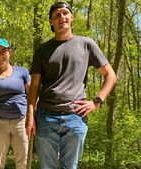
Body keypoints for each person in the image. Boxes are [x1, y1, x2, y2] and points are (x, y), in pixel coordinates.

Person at [25, 1, 117, 169]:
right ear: (51, 22)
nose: (61, 17)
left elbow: (110, 75)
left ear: (71, 17)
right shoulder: (42, 50)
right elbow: (34, 86)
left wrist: (97, 101)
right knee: (47, 167)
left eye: (65, 13)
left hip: (76, 116)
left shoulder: (86, 44)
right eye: (56, 15)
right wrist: (30, 114)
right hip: (46, 117)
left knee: (70, 166)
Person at [0, 38, 31, 169]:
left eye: (3, 51)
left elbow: (32, 96)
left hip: (21, 121)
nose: (0, 56)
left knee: (24, 161)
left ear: (9, 52)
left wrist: (33, 117)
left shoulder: (22, 72)